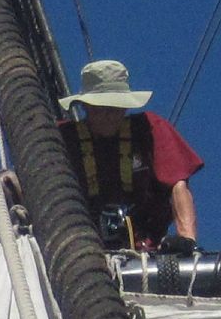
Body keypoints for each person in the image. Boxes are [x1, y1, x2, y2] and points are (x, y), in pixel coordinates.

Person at [55, 59, 200, 253]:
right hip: (77, 250)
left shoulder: (150, 129)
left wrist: (187, 240)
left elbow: (178, 185)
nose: (107, 115)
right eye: (99, 108)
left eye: (114, 108)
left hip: (143, 251)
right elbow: (36, 179)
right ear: (85, 107)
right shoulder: (62, 137)